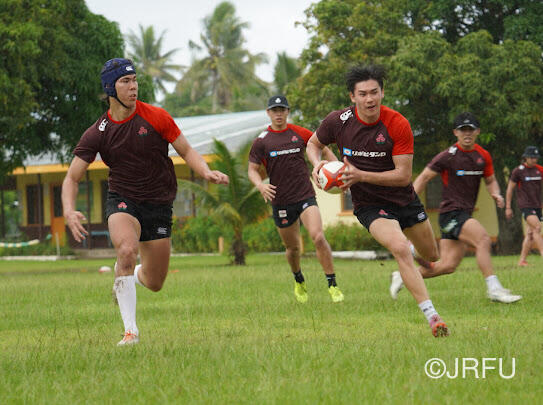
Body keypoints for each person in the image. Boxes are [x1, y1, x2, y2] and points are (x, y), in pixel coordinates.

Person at [62, 58, 229, 346]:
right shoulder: (98, 132)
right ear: (110, 88)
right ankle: (131, 332)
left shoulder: (156, 117)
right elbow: (72, 178)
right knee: (126, 251)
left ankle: (130, 276)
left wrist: (206, 172)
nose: (133, 87)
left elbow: (186, 150)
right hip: (123, 200)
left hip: (158, 203)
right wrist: (68, 210)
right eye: (125, 81)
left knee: (155, 282)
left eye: (134, 80)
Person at [306, 65, 448, 337]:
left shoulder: (397, 124)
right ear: (352, 96)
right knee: (400, 248)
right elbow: (313, 144)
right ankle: (433, 317)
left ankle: (404, 268)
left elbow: (403, 176)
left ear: (382, 92)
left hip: (404, 199)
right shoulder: (338, 121)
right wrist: (317, 164)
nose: (369, 99)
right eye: (363, 94)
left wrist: (360, 175)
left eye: (374, 92)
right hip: (370, 205)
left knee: (432, 256)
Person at [399, 112, 522, 304]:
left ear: (478, 132)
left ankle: (403, 276)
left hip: (464, 213)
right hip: (451, 213)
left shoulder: (483, 156)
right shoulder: (448, 156)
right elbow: (423, 177)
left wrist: (496, 193)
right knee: (483, 239)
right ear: (455, 132)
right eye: (463, 130)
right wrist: (407, 203)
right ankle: (494, 289)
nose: (467, 134)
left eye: (470, 130)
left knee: (448, 266)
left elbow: (490, 181)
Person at [248, 95, 344, 303]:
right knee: (293, 249)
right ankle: (299, 279)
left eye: (282, 110)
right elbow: (252, 170)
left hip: (305, 195)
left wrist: (336, 170)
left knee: (318, 237)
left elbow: (323, 148)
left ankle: (332, 284)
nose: (279, 114)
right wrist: (260, 185)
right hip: (281, 201)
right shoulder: (262, 141)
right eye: (275, 110)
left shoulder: (299, 133)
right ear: (268, 113)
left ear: (288, 112)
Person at [505, 145, 543, 266]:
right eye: (531, 157)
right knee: (537, 228)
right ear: (525, 157)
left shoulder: (540, 170)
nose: (534, 160)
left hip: (537, 205)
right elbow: (510, 189)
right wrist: (508, 207)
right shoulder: (518, 171)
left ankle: (522, 260)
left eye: (535, 157)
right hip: (525, 205)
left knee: (530, 234)